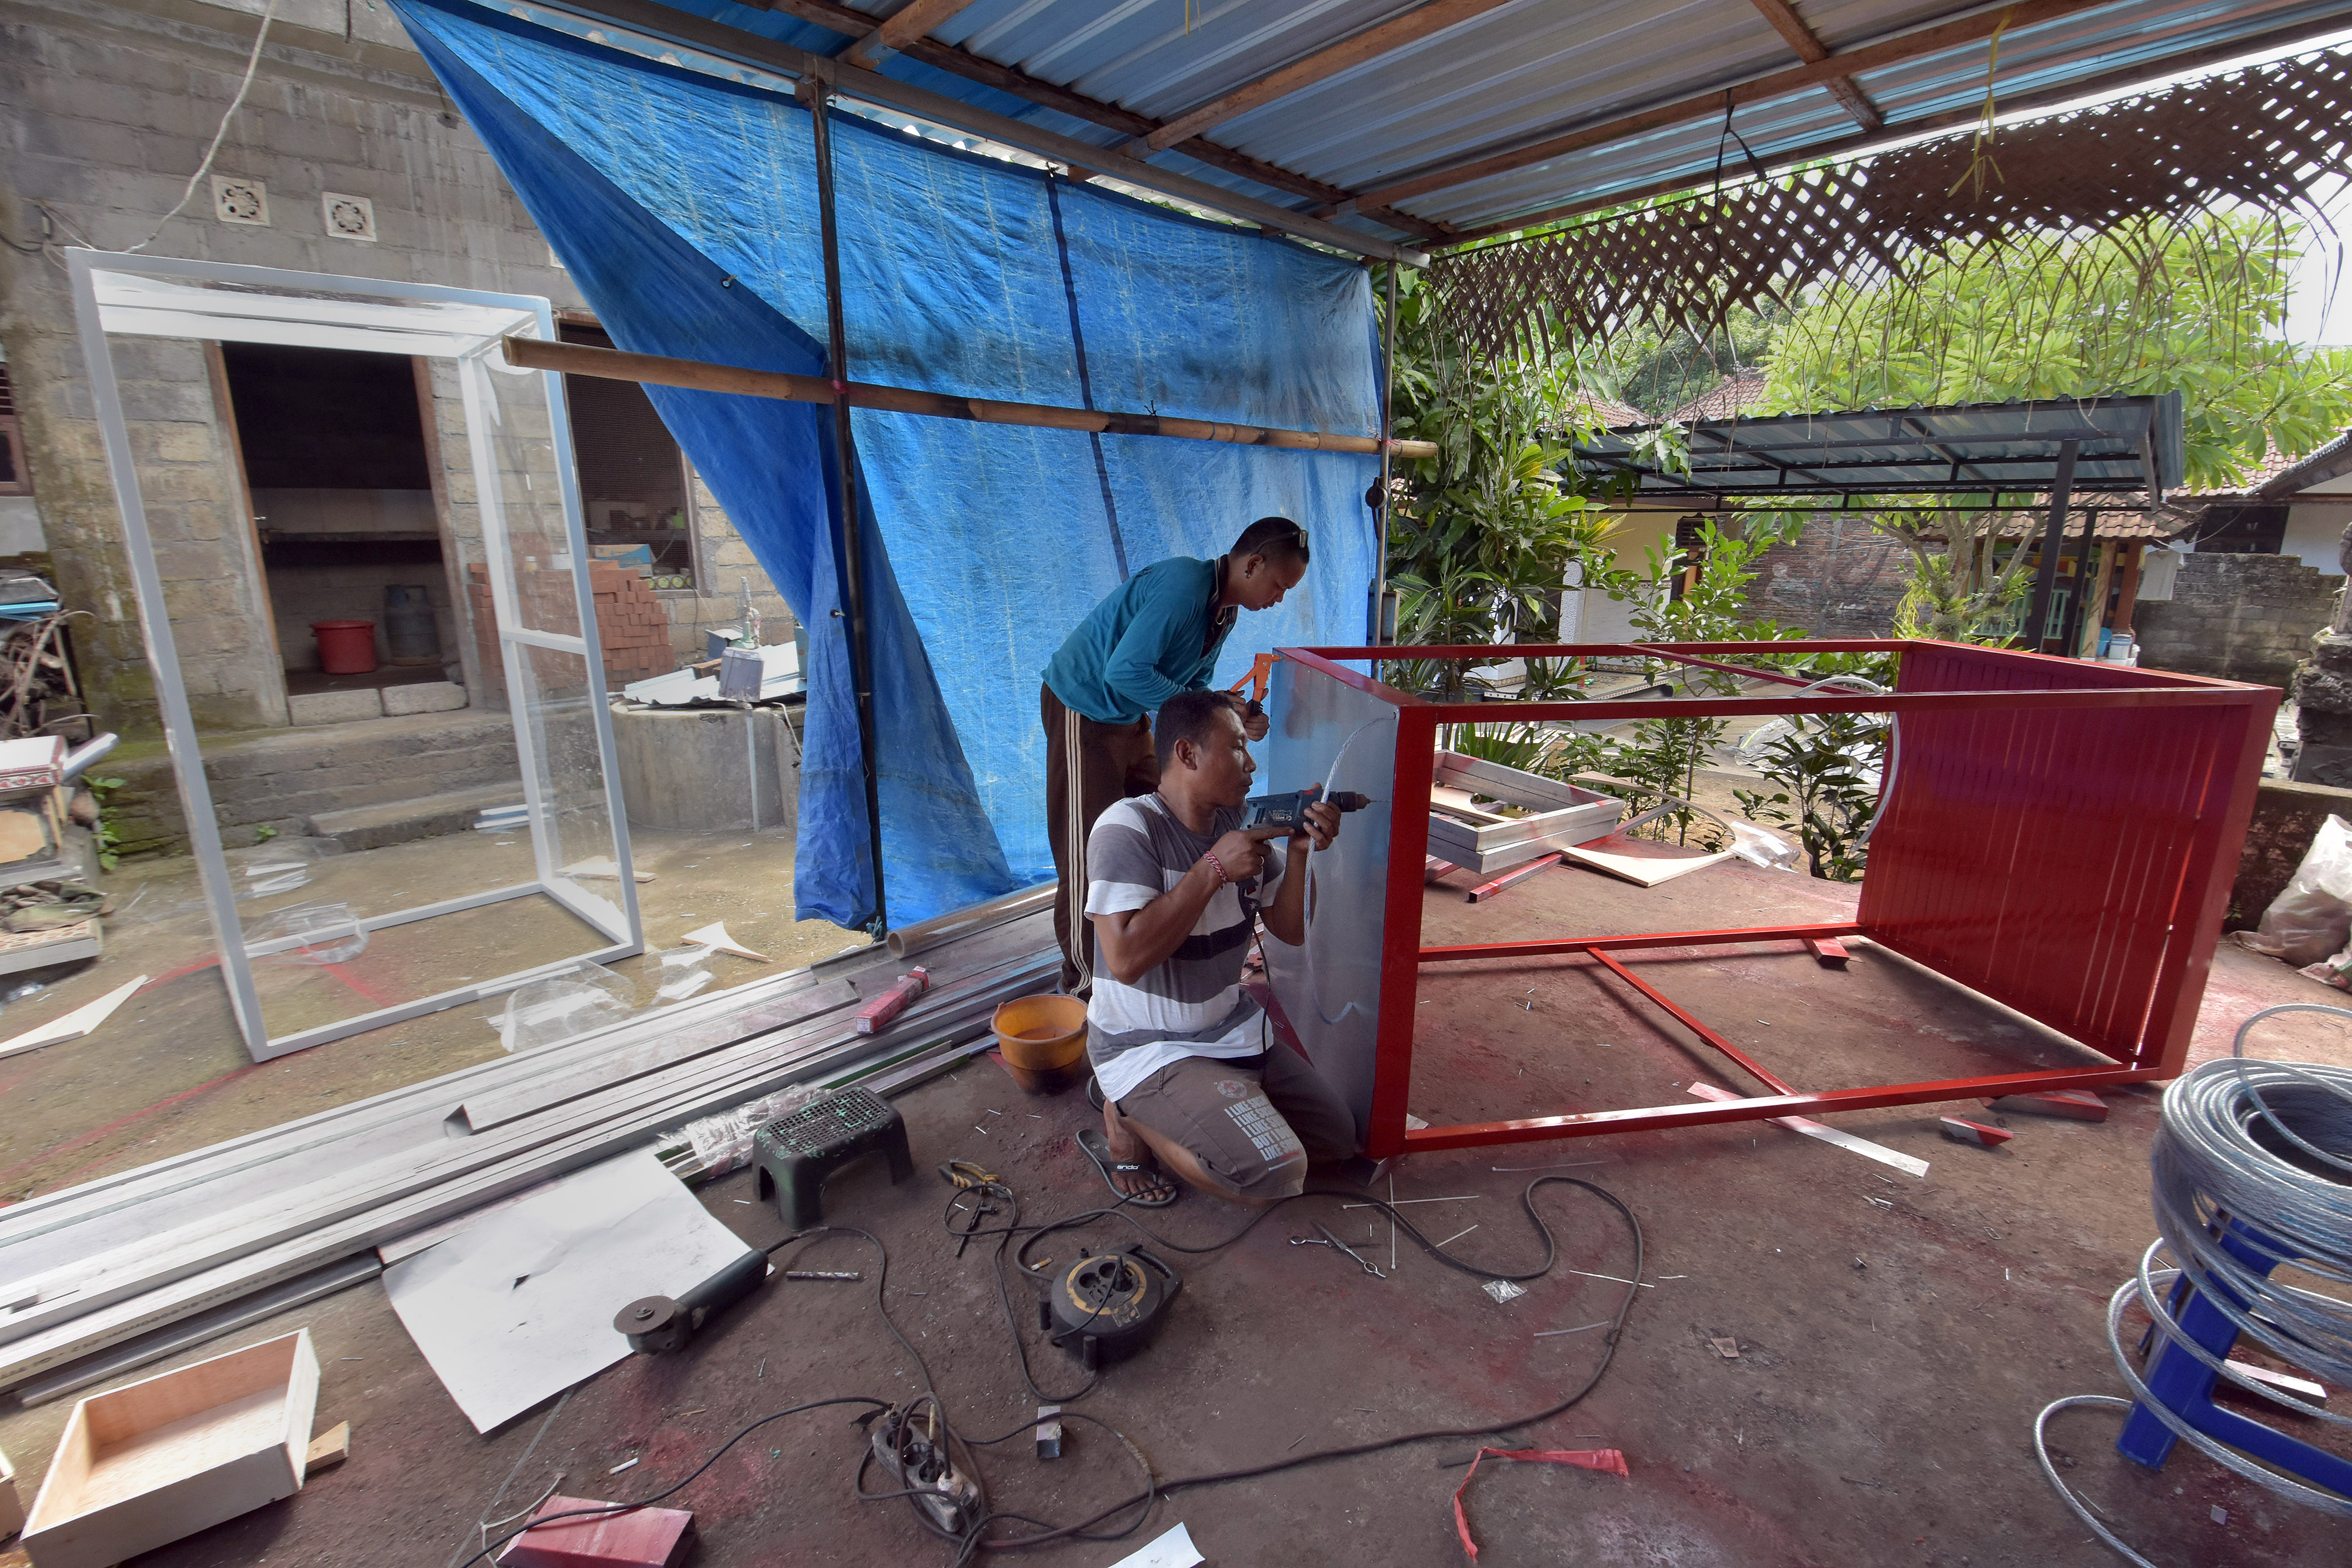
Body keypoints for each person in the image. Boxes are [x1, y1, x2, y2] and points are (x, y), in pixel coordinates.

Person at [1071, 688, 1357, 1206]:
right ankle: (1126, 1114)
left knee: (1337, 1139)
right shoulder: (1128, 827)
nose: (1251, 764)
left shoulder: (1240, 823)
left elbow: (1289, 930)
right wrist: (1213, 870)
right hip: (1149, 1046)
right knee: (1272, 1175)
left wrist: (1297, 852)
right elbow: (1126, 959)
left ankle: (1214, 1102)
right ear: (1187, 754)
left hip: (1229, 1027)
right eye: (1236, 748)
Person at [1039, 518, 1311, 995]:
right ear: (1253, 564)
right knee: (1088, 852)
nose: (1279, 598)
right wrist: (1213, 706)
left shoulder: (1224, 613)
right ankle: (1086, 989)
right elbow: (1125, 671)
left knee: (1172, 808)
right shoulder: (1185, 585)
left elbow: (1193, 688)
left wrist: (1230, 710)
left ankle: (1153, 939)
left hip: (1130, 714)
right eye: (1279, 584)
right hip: (1084, 707)